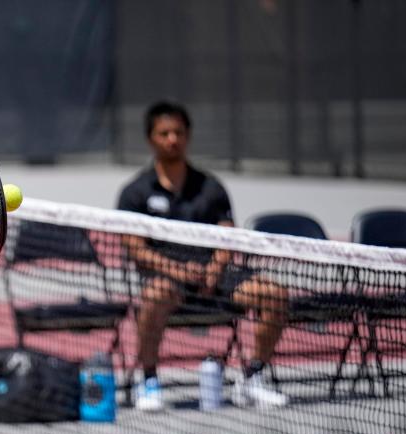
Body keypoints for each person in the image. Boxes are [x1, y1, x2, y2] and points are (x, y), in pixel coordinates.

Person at [117, 101, 288, 411]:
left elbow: (228, 236)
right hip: (167, 279)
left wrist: (214, 269)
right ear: (150, 139)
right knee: (154, 296)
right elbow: (135, 248)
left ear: (188, 136)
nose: (172, 139)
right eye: (164, 133)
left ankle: (253, 377)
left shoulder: (210, 188)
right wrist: (177, 270)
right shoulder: (135, 192)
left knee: (273, 294)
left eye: (178, 133)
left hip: (216, 278)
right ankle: (149, 380)